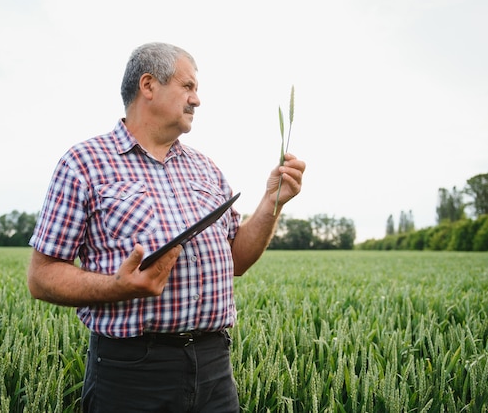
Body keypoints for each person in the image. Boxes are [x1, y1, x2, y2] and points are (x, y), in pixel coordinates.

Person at [27, 42, 306, 412]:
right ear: (148, 85)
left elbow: (236, 260)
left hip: (213, 368)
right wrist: (117, 287)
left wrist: (274, 201)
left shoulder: (206, 168)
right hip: (131, 373)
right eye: (188, 87)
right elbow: (41, 276)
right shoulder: (83, 163)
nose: (197, 100)